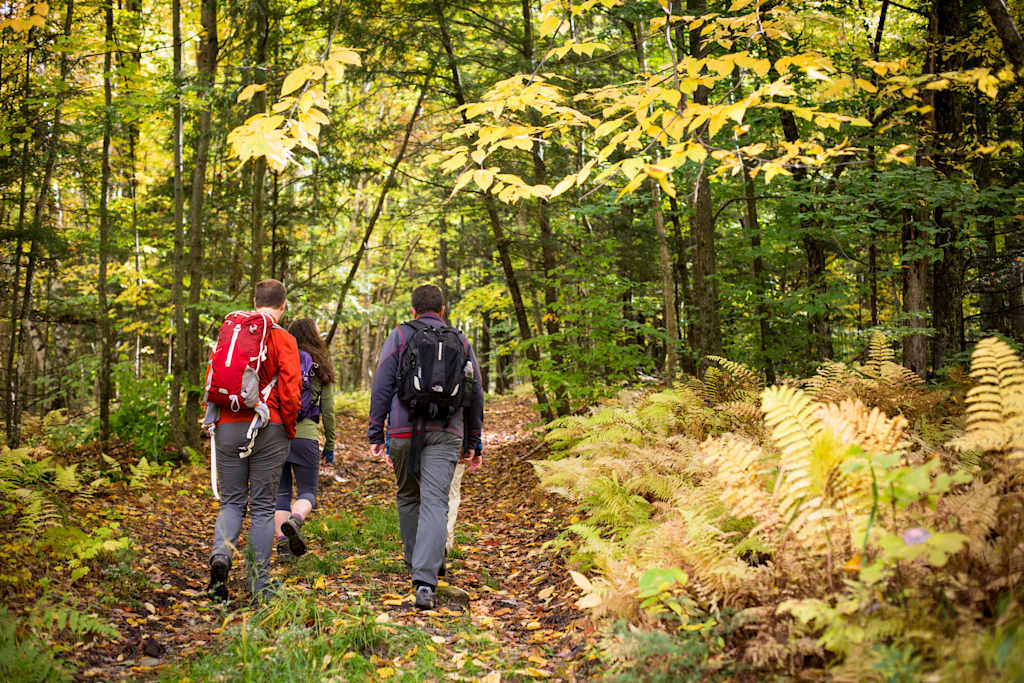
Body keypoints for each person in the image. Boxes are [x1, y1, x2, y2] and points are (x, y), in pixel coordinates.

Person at [368, 284, 484, 609]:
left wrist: (377, 432)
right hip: (447, 431)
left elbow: (382, 383)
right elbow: (475, 393)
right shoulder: (460, 340)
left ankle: (415, 562)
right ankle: (425, 580)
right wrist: (473, 440)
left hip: (404, 431)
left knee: (407, 495)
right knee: (435, 501)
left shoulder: (400, 336)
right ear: (443, 310)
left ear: (413, 309)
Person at [205, 279, 301, 603]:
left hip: (228, 423)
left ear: (254, 301)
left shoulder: (231, 334)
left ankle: (221, 558)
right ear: (283, 305)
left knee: (231, 502)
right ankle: (260, 586)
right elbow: (290, 391)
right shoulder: (284, 338)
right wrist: (288, 428)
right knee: (262, 508)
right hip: (268, 427)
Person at [275, 318, 336, 559]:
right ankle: (295, 520)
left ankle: (282, 544)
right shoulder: (321, 367)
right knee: (308, 492)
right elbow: (329, 412)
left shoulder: (280, 360)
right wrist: (329, 445)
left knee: (280, 494)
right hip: (306, 437)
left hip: (277, 436)